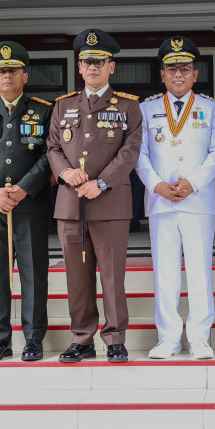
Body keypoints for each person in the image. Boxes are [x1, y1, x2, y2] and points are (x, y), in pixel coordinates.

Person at [46, 29, 143, 363]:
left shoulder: (129, 107)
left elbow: (130, 152)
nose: (92, 67)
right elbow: (53, 146)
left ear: (111, 66)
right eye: (87, 62)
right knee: (77, 276)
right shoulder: (63, 106)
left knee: (113, 277)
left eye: (99, 62)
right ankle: (82, 338)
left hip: (110, 203)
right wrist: (65, 173)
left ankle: (115, 337)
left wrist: (100, 183)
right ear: (79, 65)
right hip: (70, 204)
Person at [136, 36, 215, 359]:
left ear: (195, 74)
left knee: (201, 271)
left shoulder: (210, 108)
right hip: (160, 202)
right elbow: (139, 155)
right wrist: (157, 185)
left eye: (184, 68)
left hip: (198, 202)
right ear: (162, 74)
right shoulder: (145, 110)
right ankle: (169, 338)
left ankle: (200, 337)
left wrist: (194, 183)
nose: (178, 74)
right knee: (166, 272)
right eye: (172, 68)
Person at [0, 40, 54, 362]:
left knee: (34, 273)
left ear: (24, 75)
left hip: (30, 204)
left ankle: (33, 338)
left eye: (13, 70)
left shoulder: (45, 110)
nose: (6, 76)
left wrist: (25, 187)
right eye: (0, 72)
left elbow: (49, 154)